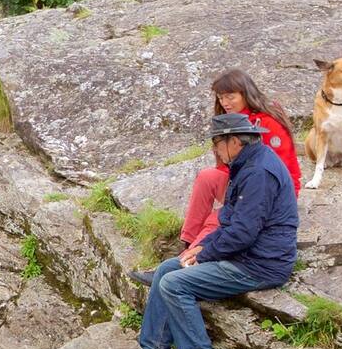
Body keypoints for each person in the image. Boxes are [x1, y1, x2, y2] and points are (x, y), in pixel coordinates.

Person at [109, 113, 300, 349]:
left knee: (175, 283)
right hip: (246, 254)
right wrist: (202, 247)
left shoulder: (259, 173)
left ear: (234, 141)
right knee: (167, 268)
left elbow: (244, 233)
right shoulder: (247, 164)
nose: (215, 150)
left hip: (261, 264)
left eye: (217, 143)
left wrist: (206, 254)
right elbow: (230, 219)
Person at [129, 69, 301, 285]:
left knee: (218, 219)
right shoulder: (229, 122)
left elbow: (279, 170)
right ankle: (188, 244)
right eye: (221, 97)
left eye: (230, 96)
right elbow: (229, 167)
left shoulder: (266, 122)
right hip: (243, 182)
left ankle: (189, 261)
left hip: (267, 190)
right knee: (206, 177)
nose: (225, 102)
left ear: (246, 93)